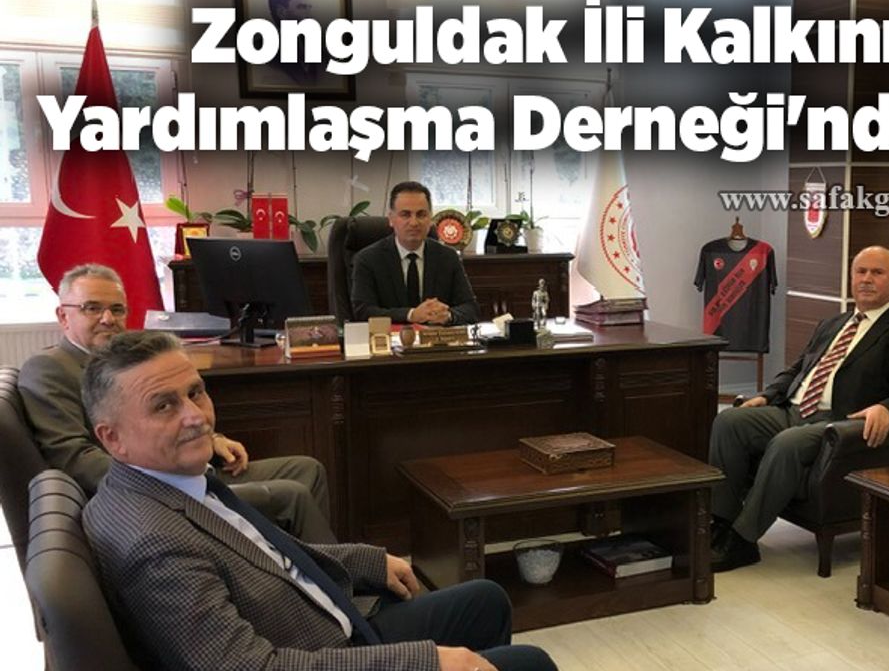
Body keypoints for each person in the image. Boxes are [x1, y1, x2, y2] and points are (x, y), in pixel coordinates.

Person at [81, 330, 556, 671]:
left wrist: (366, 560)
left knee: (485, 600)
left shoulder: (171, 481)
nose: (196, 417)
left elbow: (269, 556)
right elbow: (251, 667)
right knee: (528, 663)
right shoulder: (153, 542)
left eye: (196, 393)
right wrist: (426, 662)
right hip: (317, 652)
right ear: (112, 438)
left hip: (321, 623)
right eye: (164, 405)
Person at [19, 264, 336, 543]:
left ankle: (293, 564)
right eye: (92, 308)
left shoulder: (120, 362)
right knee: (292, 495)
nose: (107, 319)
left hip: (185, 467)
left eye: (117, 309)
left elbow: (171, 411)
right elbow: (75, 458)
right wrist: (170, 480)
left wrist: (212, 438)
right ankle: (322, 580)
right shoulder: (49, 369)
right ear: (63, 316)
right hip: (153, 489)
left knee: (306, 469)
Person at [709, 246, 889, 571]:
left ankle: (742, 541)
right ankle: (721, 524)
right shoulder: (833, 323)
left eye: (877, 273)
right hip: (793, 408)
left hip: (838, 422)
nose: (867, 279)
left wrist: (888, 408)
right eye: (861, 272)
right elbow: (798, 368)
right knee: (729, 421)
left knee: (786, 444)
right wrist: (768, 395)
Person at [350, 181, 479, 325]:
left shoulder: (447, 257)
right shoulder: (368, 259)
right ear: (391, 219)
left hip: (435, 338)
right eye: (405, 215)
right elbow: (363, 311)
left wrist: (448, 316)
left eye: (421, 215)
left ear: (430, 219)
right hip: (389, 338)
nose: (414, 223)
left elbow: (470, 309)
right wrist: (411, 315)